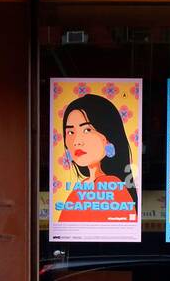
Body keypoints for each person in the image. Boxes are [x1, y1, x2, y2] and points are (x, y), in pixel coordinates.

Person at [56, 94, 137, 223]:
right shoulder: (81, 187)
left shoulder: (113, 185)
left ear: (108, 137)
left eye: (87, 130)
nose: (76, 141)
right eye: (70, 132)